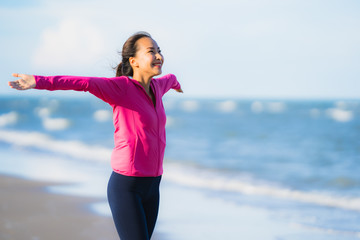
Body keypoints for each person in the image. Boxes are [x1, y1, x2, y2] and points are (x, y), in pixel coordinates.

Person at [8, 31, 183, 240]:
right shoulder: (121, 88)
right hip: (127, 187)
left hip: (153, 186)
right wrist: (38, 81)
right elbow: (82, 82)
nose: (158, 56)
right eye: (151, 51)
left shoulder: (158, 86)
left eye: (159, 51)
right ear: (134, 61)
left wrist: (177, 86)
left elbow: (171, 79)